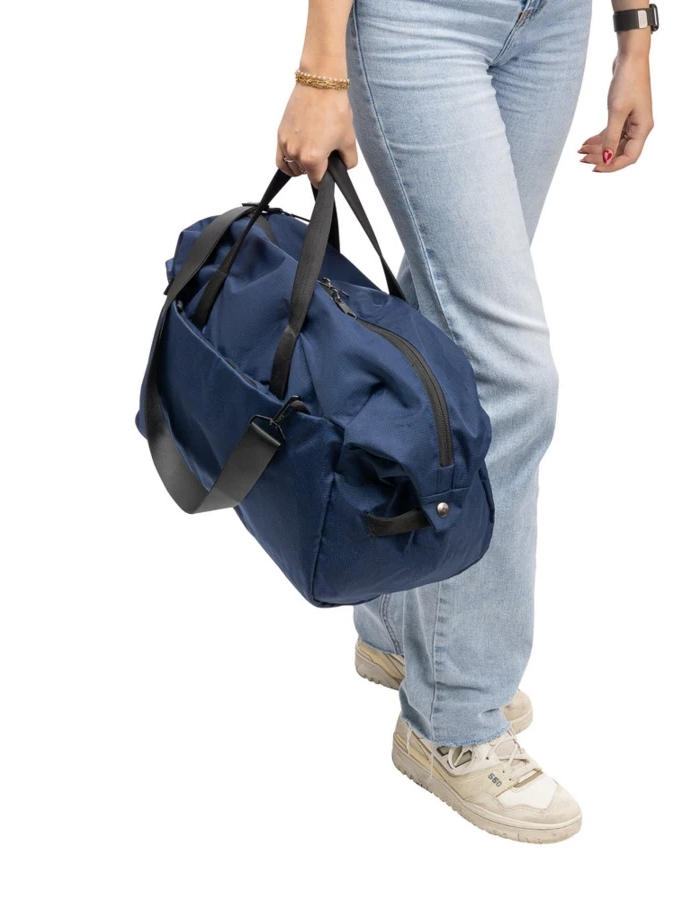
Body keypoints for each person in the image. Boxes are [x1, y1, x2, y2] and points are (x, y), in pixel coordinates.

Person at [276, 0, 654, 843]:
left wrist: (635, 33)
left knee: (444, 324)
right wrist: (320, 71)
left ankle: (397, 623)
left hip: (553, 27)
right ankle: (455, 715)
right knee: (510, 378)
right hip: (422, 21)